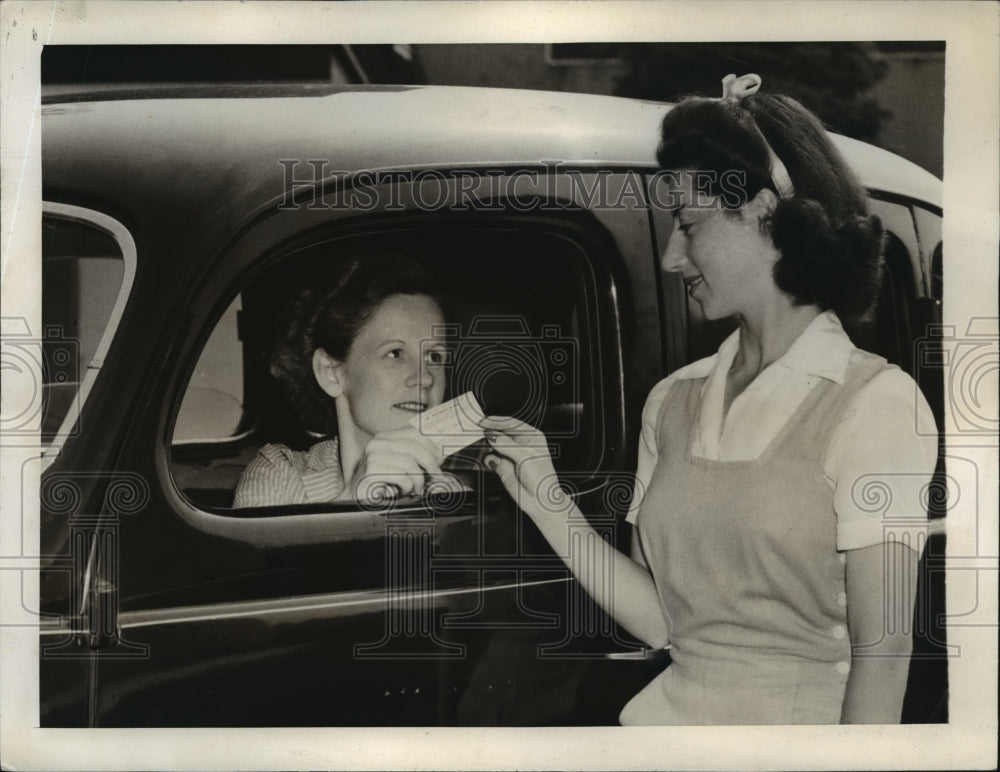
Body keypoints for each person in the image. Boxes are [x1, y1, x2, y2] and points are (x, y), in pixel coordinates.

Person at [480, 74, 937, 725]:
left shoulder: (876, 404)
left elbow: (883, 654)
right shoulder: (672, 402)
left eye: (688, 225)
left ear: (766, 215)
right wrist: (544, 496)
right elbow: (662, 623)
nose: (672, 257)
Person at [234, 254, 452, 507]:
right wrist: (351, 501)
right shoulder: (280, 476)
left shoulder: (460, 490)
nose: (425, 378)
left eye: (435, 356)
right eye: (395, 353)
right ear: (331, 372)